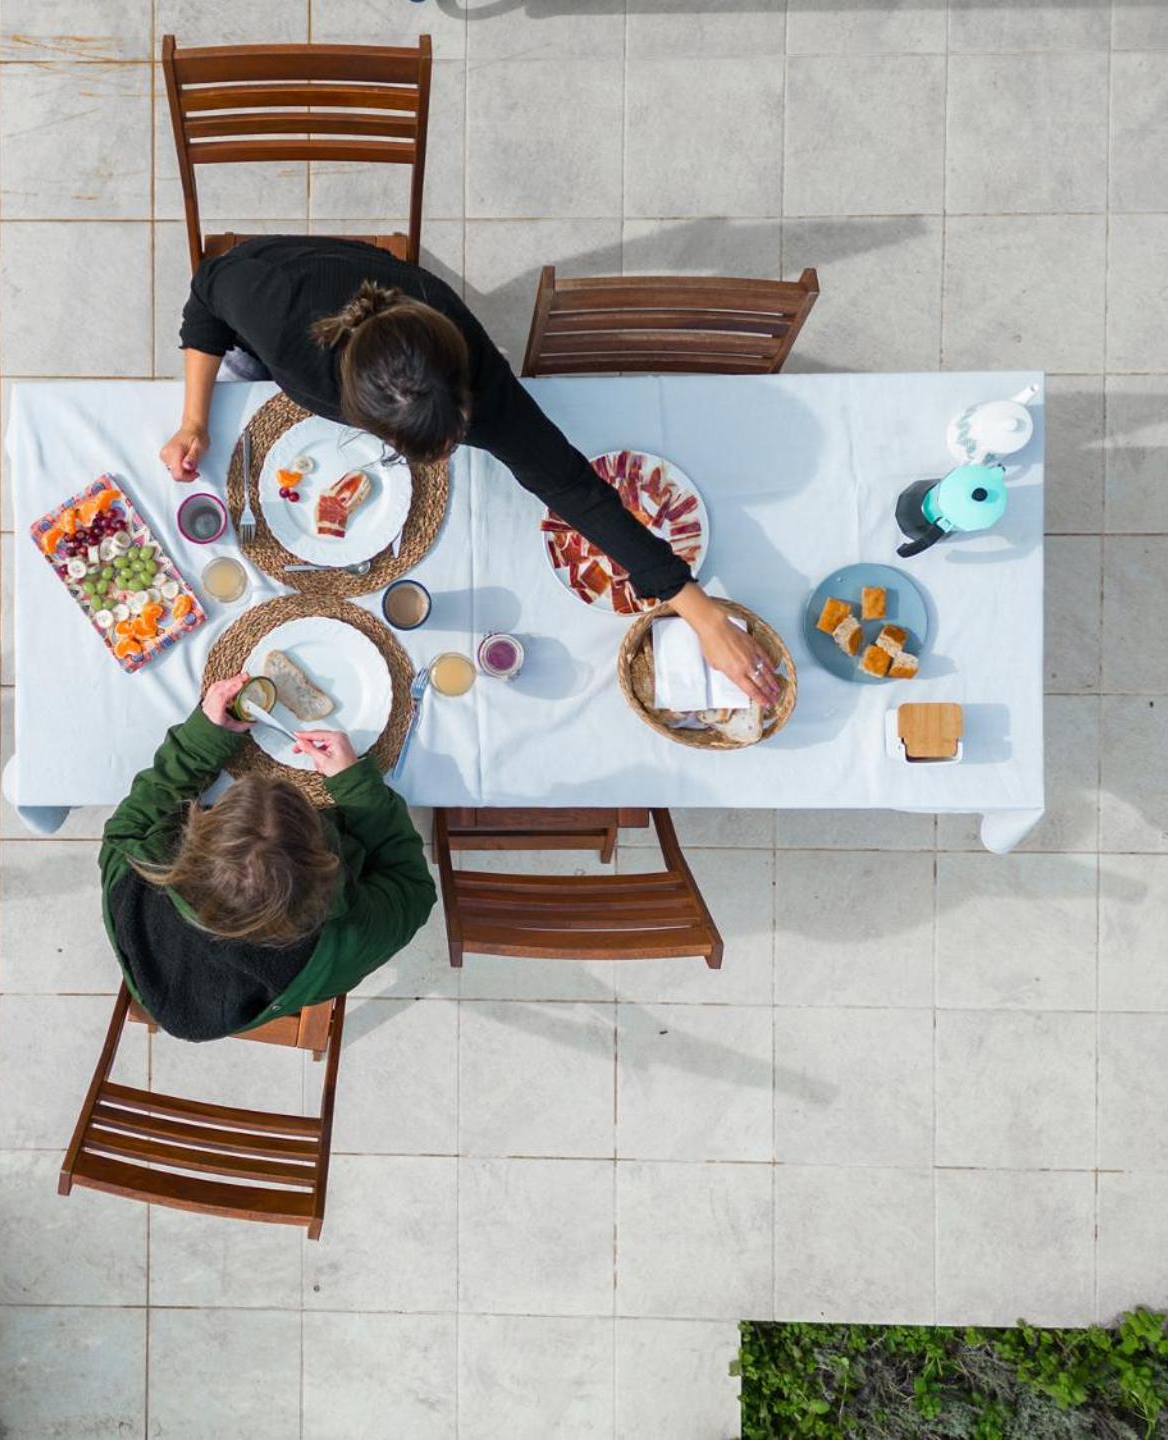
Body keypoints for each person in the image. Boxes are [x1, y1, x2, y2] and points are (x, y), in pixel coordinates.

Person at [160, 234, 783, 708]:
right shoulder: (272, 305)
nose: (456, 446)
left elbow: (571, 486)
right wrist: (193, 422)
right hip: (288, 298)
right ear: (361, 418)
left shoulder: (477, 379)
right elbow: (205, 294)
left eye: (458, 434)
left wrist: (700, 613)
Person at [98, 673, 436, 1041]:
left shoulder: (132, 873)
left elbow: (128, 824)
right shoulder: (346, 937)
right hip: (276, 987)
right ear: (325, 859)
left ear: (195, 835)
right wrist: (355, 786)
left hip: (180, 994)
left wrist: (202, 739)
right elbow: (414, 889)